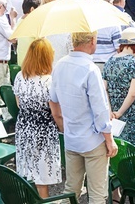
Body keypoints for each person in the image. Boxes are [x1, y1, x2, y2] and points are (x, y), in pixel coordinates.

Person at [50, 31, 118, 204]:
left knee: (71, 190)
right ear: (92, 41)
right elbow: (100, 110)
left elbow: (54, 102)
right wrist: (109, 140)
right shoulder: (90, 69)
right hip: (92, 140)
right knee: (97, 194)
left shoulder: (60, 65)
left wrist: (64, 126)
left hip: (71, 137)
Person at [14, 38, 61, 198]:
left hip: (24, 129)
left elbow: (19, 103)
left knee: (28, 174)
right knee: (42, 180)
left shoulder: (20, 76)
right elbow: (56, 112)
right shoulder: (49, 81)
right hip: (44, 132)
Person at [102, 28, 135, 157]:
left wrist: (110, 111)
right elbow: (133, 92)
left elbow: (104, 89)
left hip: (113, 112)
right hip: (133, 111)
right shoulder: (134, 63)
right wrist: (120, 112)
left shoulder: (110, 61)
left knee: (122, 149)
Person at [91, 0, 122, 71]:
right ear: (109, 4)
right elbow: (119, 48)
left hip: (91, 63)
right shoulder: (113, 23)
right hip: (108, 65)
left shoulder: (89, 21)